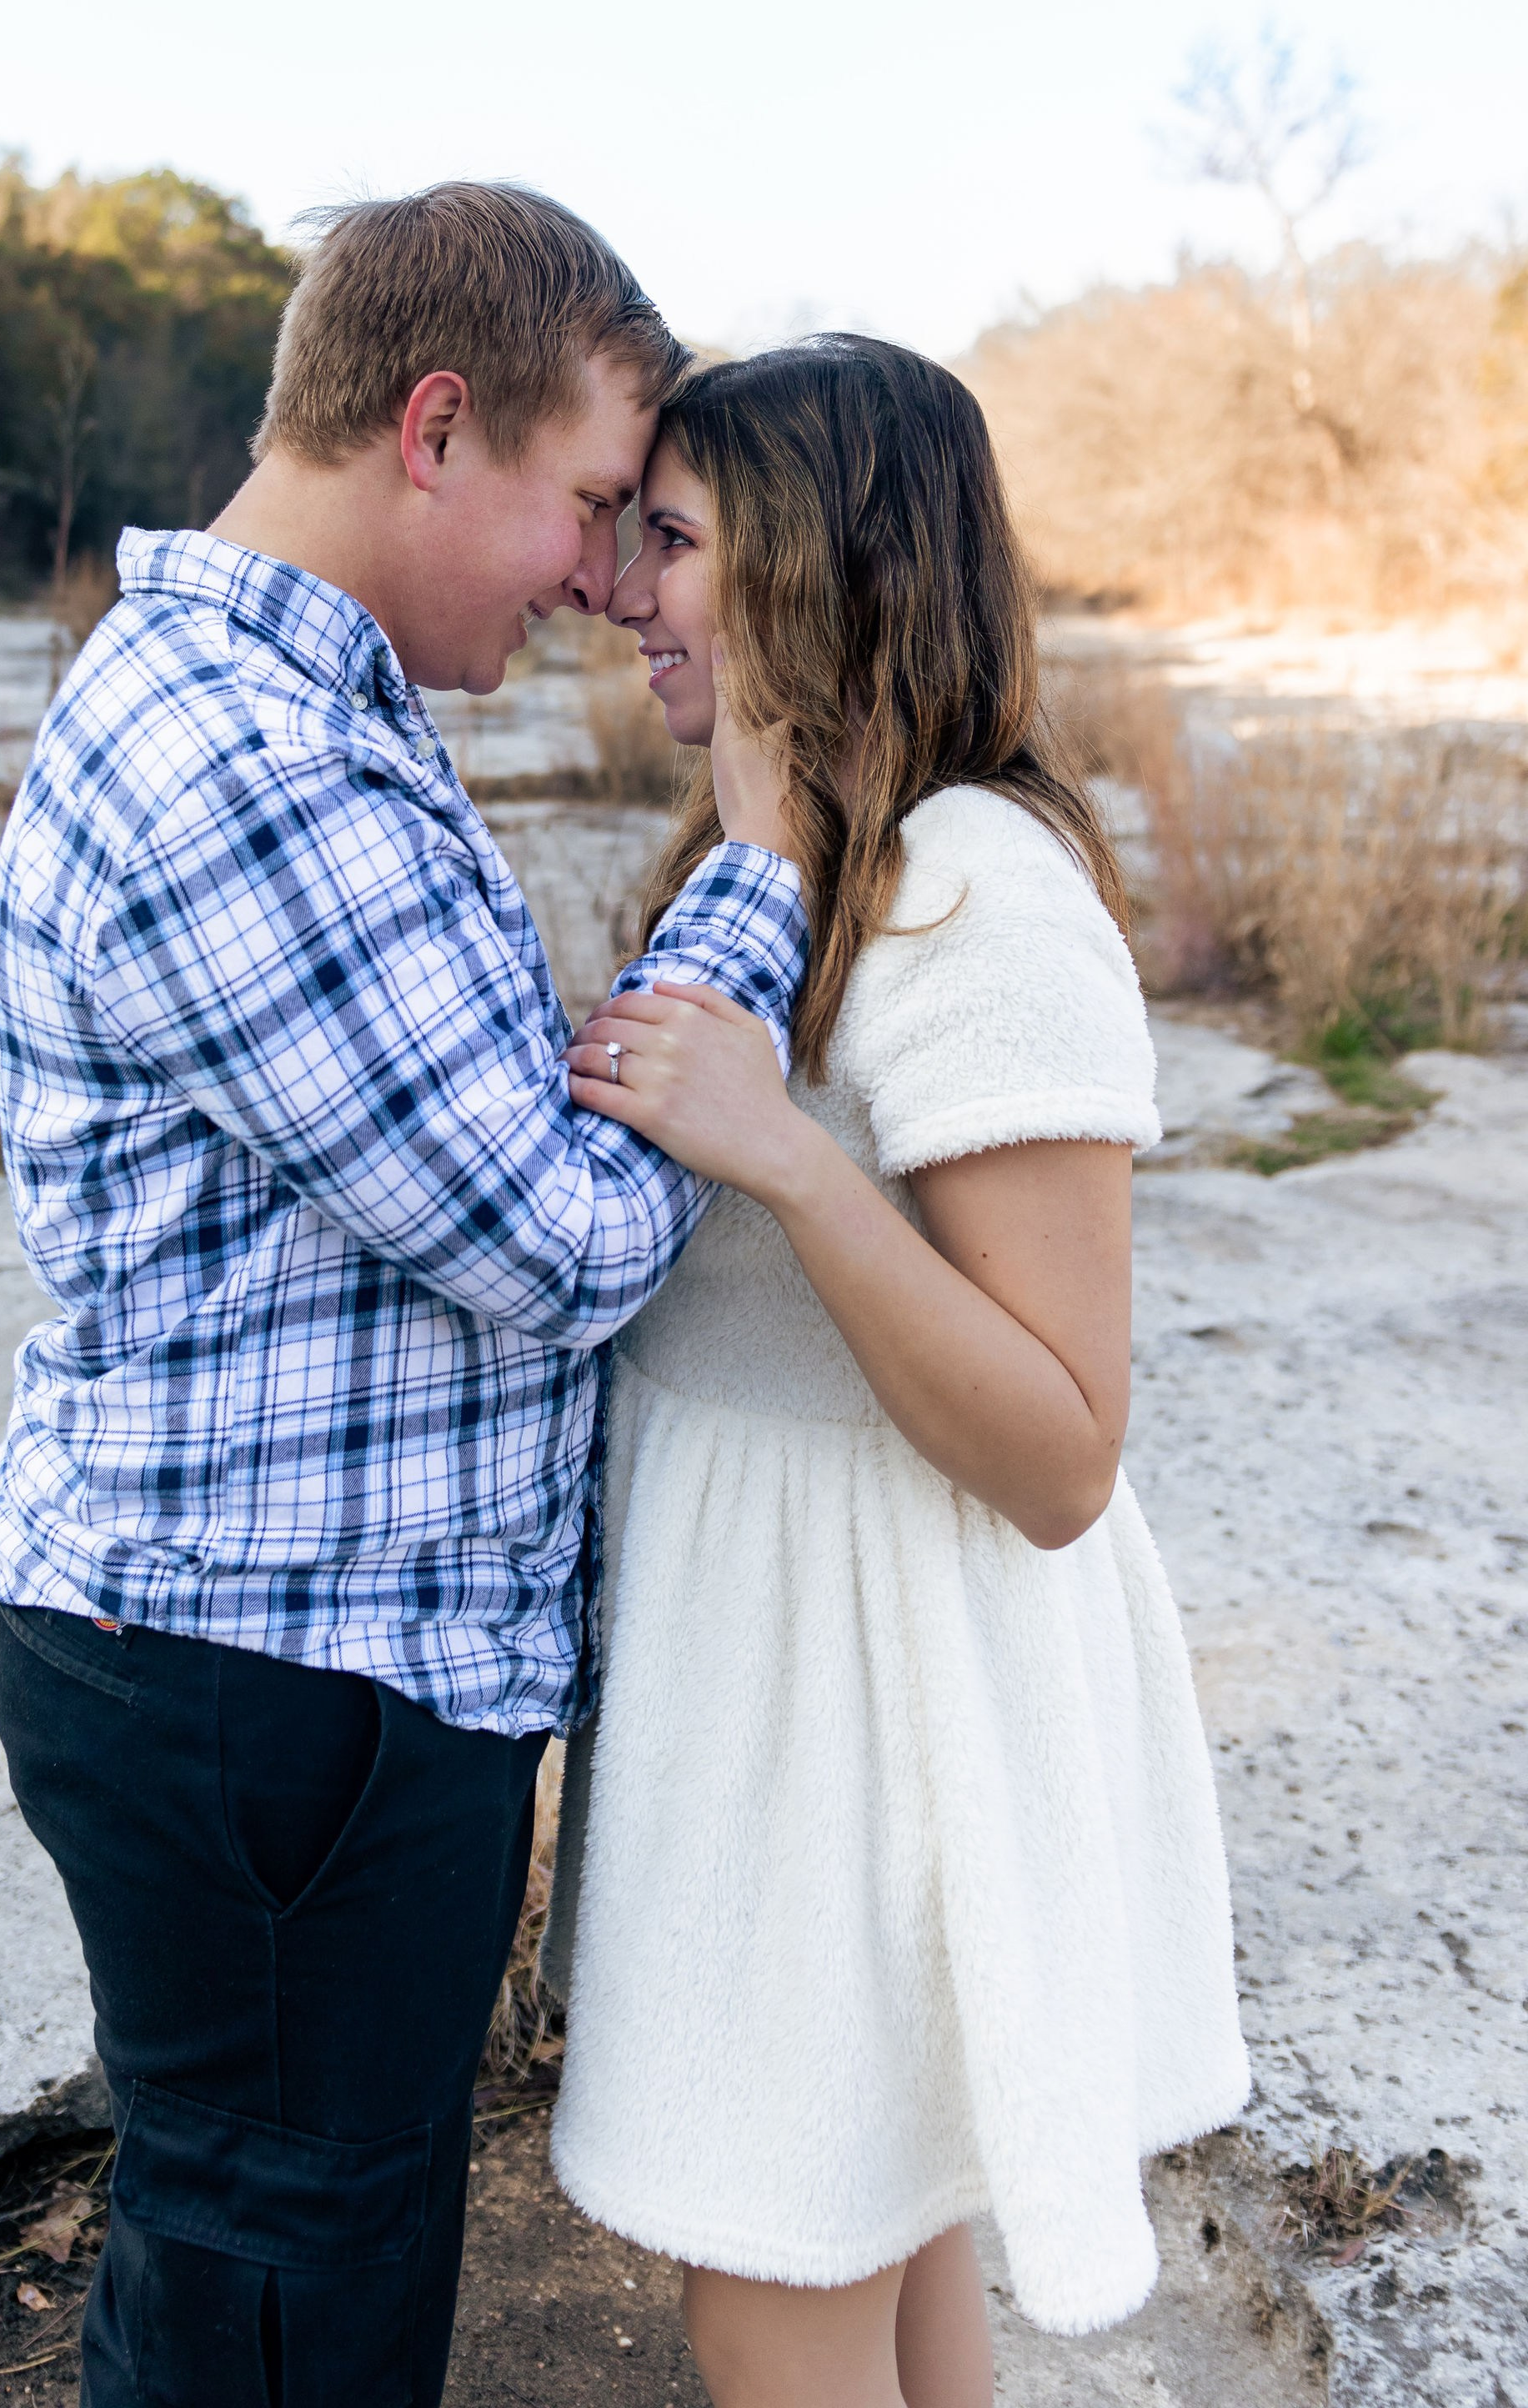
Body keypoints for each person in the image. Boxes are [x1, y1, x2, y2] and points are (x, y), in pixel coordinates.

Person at [0, 184, 810, 2408]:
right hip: (266, 1681)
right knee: (283, 2284)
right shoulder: (238, 758)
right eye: (595, 505)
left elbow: (475, 1157)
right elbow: (553, 1240)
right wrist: (767, 885)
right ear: (436, 429)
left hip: (306, 1671)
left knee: (299, 2246)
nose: (611, 580)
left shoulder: (295, 713)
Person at [545, 336, 1248, 2408]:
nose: (617, 591)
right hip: (776, 1683)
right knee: (870, 2234)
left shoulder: (975, 892)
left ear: (809, 565)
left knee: (771, 2283)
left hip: (879, 1704)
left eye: (668, 540)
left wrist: (774, 1152)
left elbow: (1058, 1450)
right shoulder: (789, 865)